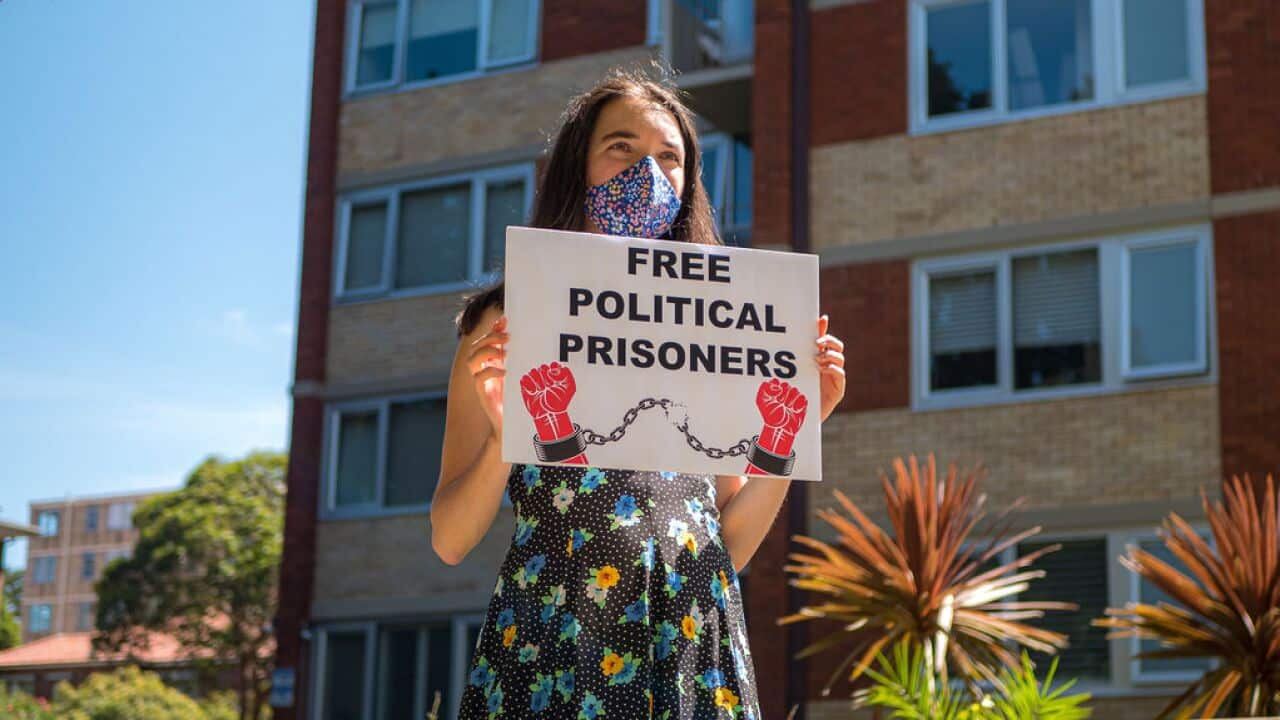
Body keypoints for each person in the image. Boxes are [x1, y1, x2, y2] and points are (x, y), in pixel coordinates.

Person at [431, 67, 846, 720]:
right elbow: (451, 539)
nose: (646, 173)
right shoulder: (506, 321)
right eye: (621, 147)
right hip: (557, 639)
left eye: (668, 158)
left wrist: (790, 433)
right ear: (577, 164)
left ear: (688, 182)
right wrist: (506, 437)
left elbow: (727, 543)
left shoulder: (713, 326)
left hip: (692, 638)